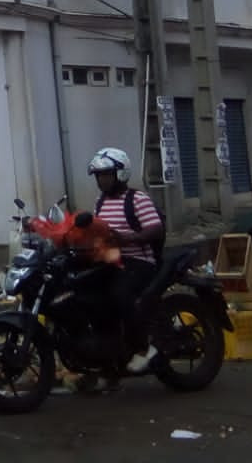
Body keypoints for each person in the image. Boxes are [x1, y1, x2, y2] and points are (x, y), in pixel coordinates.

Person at [88, 147, 165, 375]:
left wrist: (128, 238)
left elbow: (156, 230)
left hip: (138, 261)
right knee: (88, 296)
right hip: (111, 261)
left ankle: (143, 348)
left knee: (120, 294)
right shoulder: (100, 202)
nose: (101, 180)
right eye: (99, 175)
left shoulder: (137, 199)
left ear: (120, 174)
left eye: (106, 175)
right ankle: (108, 358)